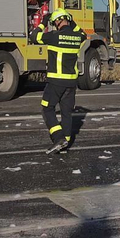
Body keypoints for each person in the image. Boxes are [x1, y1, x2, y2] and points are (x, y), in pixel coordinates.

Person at [36, 8, 87, 153]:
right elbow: (83, 33)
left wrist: (43, 23)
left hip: (56, 82)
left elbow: (35, 36)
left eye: (54, 22)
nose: (54, 25)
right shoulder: (78, 37)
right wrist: (71, 20)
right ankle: (65, 144)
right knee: (66, 113)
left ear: (58, 21)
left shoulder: (53, 36)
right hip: (71, 83)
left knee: (47, 108)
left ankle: (59, 138)